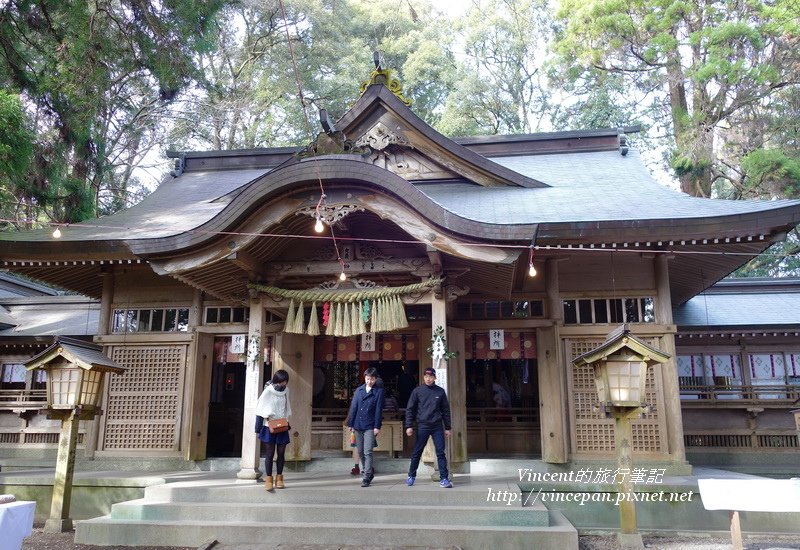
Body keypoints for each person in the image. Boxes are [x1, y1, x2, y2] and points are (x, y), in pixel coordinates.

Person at [404, 367, 453, 488]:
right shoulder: (417, 391)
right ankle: (411, 476)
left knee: (440, 452)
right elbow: (410, 409)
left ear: (435, 378)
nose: (428, 379)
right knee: (417, 451)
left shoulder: (440, 392)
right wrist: (409, 425)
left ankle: (444, 478)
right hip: (423, 426)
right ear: (423, 377)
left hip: (437, 426)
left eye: (430, 377)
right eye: (426, 376)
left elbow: (446, 410)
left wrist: (448, 427)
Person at [345, 367, 385, 487]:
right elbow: (353, 407)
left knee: (368, 451)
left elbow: (379, 410)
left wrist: (377, 426)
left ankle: (367, 475)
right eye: (368, 379)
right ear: (365, 378)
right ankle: (368, 471)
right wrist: (351, 423)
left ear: (375, 379)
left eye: (372, 379)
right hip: (357, 424)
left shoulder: (379, 392)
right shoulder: (359, 390)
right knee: (361, 451)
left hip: (370, 425)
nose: (369, 381)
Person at [255, 369, 292, 490]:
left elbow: (287, 407)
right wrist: (257, 428)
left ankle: (280, 478)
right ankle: (269, 479)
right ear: (277, 380)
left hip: (282, 424)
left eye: (285, 381)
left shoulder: (286, 391)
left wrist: (287, 422)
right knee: (270, 454)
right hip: (269, 425)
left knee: (281, 453)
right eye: (282, 381)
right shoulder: (268, 390)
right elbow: (260, 409)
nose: (284, 384)